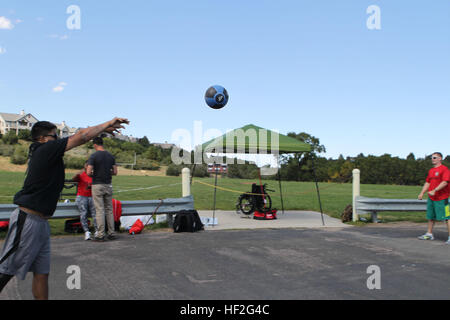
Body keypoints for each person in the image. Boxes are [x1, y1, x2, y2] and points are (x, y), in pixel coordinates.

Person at [0, 117, 129, 299]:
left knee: (42, 273)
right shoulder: (44, 149)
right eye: (55, 135)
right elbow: (82, 136)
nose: (59, 139)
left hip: (42, 223)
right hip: (28, 220)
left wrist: (100, 132)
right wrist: (107, 124)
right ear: (43, 138)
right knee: (6, 270)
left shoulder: (47, 152)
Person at [87, 136, 118, 242]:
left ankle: (100, 234)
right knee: (109, 210)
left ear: (95, 144)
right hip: (108, 184)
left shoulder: (94, 156)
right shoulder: (110, 156)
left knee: (99, 210)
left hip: (97, 185)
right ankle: (111, 233)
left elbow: (88, 172)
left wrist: (94, 173)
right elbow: (115, 172)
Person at [418, 152, 450, 244]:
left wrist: (434, 190)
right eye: (432, 157)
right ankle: (429, 234)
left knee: (447, 218)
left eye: (435, 157)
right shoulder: (431, 171)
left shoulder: (445, 169)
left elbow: (445, 182)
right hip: (432, 198)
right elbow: (427, 182)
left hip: (442, 198)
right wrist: (422, 193)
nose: (433, 159)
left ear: (440, 159)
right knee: (431, 217)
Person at [72, 161, 97, 241]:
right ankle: (87, 231)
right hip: (82, 197)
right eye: (88, 166)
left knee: (95, 214)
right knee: (84, 214)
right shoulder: (81, 174)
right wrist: (79, 172)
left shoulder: (94, 175)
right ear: (85, 166)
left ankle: (97, 231)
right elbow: (74, 179)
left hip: (92, 197)